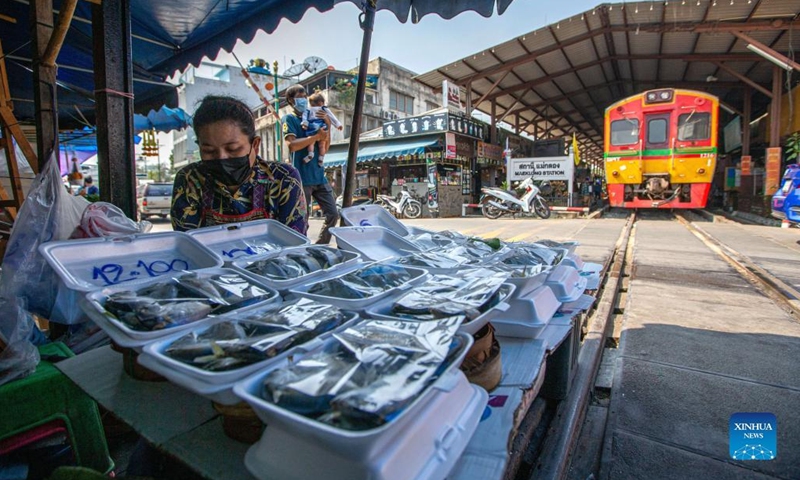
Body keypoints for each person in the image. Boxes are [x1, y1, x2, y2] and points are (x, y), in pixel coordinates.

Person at [170, 95, 307, 234]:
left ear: (255, 145)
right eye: (209, 151)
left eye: (233, 149)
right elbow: (188, 244)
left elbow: (294, 245)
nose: (221, 158)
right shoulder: (189, 179)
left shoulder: (283, 178)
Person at [283, 85, 339, 244]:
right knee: (303, 220)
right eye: (299, 97)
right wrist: (315, 137)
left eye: (304, 96)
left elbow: (325, 148)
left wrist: (327, 125)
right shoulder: (290, 119)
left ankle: (321, 246)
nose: (303, 100)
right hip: (301, 178)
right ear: (291, 100)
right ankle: (303, 251)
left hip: (319, 176)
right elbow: (292, 145)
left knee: (333, 213)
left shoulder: (316, 117)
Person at [301, 92, 343, 166]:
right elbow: (331, 116)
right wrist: (338, 125)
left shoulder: (308, 110)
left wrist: (305, 124)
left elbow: (304, 118)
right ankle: (321, 158)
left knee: (311, 142)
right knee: (322, 145)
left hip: (313, 128)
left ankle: (310, 154)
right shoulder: (323, 108)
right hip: (323, 127)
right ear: (321, 102)